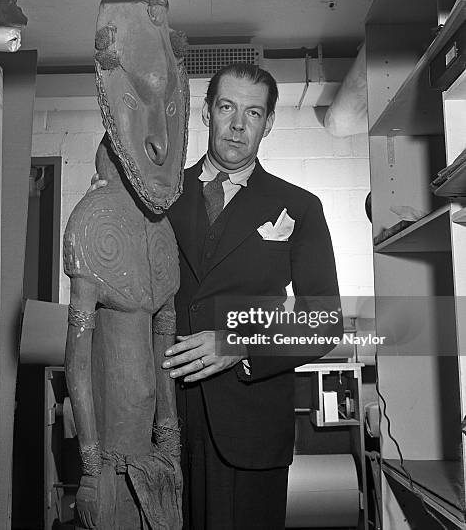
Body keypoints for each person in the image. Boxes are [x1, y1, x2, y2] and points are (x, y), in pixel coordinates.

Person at [90, 62, 341, 529]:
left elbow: (323, 320)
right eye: (227, 107)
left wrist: (241, 345)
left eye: (253, 112)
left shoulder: (300, 207)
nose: (238, 124)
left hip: (250, 424)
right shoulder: (155, 195)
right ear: (207, 113)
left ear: (268, 123)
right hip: (158, 414)